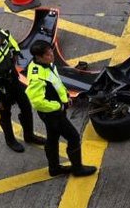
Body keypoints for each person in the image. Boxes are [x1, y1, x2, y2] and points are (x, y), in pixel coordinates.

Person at [25, 41, 96, 177]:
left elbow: (56, 81)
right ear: (39, 57)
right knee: (74, 137)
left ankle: (54, 168)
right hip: (52, 114)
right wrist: (59, 106)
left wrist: (65, 96)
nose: (52, 55)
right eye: (47, 54)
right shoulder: (37, 77)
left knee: (52, 138)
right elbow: (37, 102)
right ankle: (77, 169)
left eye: (51, 51)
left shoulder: (47, 64)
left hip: (55, 111)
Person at [0, 23, 46, 152]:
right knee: (5, 115)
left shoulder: (1, 35)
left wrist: (16, 51)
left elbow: (10, 39)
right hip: (1, 89)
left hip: (13, 80)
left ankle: (29, 136)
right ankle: (10, 140)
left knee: (26, 106)